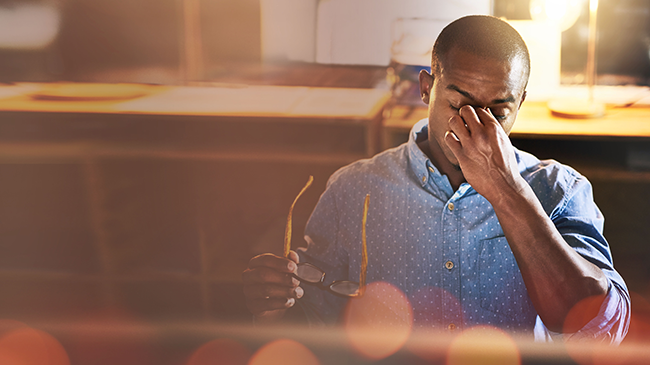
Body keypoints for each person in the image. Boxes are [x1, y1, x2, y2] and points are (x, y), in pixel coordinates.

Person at [242, 15, 629, 343]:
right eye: (459, 104)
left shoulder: (560, 191)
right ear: (427, 88)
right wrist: (275, 303)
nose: (474, 125)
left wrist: (504, 190)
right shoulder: (354, 190)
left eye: (499, 110)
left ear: (521, 104)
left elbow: (600, 329)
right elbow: (316, 327)